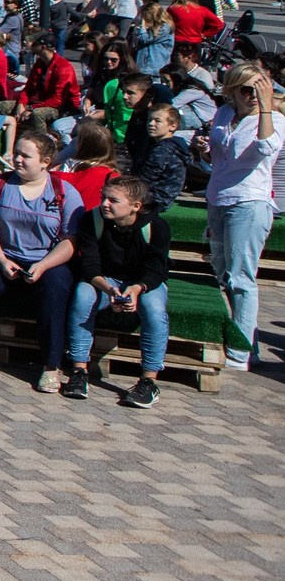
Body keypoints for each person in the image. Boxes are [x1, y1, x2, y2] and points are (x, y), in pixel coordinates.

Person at [0, 131, 83, 386]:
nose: (17, 159)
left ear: (45, 161)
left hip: (48, 261)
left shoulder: (64, 192)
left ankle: (51, 365)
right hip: (7, 256)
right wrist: (2, 259)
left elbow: (70, 242)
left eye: (25, 156)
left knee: (56, 288)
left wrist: (44, 265)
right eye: (16, 153)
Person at [63, 173, 170, 407]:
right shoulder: (92, 220)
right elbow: (89, 265)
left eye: (113, 200)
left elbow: (157, 270)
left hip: (143, 283)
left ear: (136, 206)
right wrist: (109, 288)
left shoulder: (157, 226)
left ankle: (149, 380)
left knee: (154, 307)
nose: (104, 204)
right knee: (83, 295)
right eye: (103, 197)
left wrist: (136, 288)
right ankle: (79, 370)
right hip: (105, 280)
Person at [205, 64, 279, 375]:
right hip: (218, 198)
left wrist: (265, 109)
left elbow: (267, 147)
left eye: (257, 89)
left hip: (249, 202)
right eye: (245, 90)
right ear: (232, 90)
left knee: (241, 278)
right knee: (223, 274)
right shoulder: (224, 114)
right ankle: (250, 343)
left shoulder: (274, 120)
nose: (250, 96)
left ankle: (239, 353)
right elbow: (220, 153)